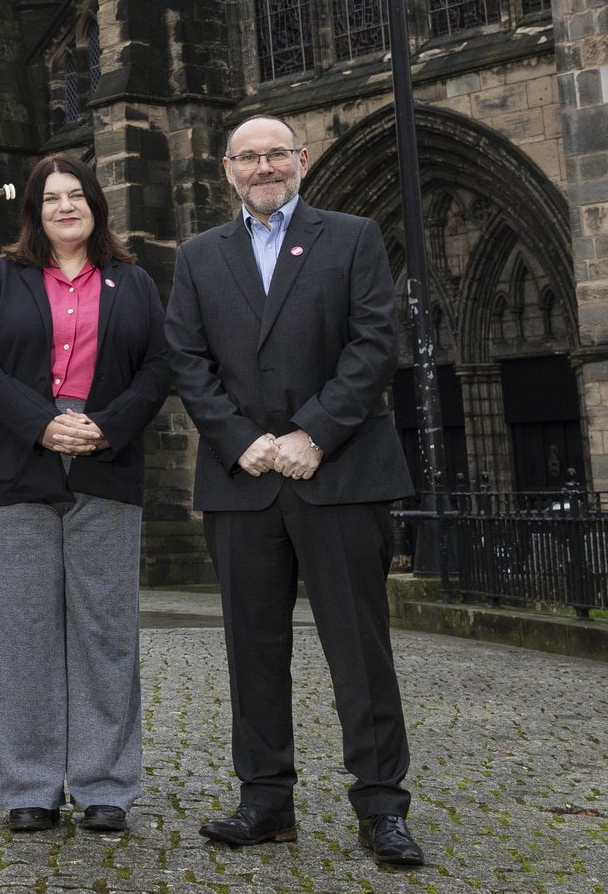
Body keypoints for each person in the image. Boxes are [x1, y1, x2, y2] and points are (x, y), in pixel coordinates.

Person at [164, 115, 424, 867]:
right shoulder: (198, 257)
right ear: (227, 171)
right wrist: (244, 441)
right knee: (252, 651)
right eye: (248, 158)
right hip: (242, 481)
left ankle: (381, 809)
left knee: (360, 650)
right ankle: (265, 802)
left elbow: (375, 344)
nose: (264, 167)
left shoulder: (353, 236)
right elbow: (185, 359)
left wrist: (313, 433)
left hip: (338, 474)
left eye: (277, 153)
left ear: (302, 160)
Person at [0, 154, 170, 835]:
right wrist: (40, 422)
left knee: (105, 633)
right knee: (22, 636)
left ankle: (104, 784)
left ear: (97, 205)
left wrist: (104, 427)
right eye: (52, 198)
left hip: (106, 468)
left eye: (77, 195)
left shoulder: (133, 282)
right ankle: (29, 787)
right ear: (35, 212)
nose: (66, 207)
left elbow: (160, 366)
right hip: (16, 470)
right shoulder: (2, 277)